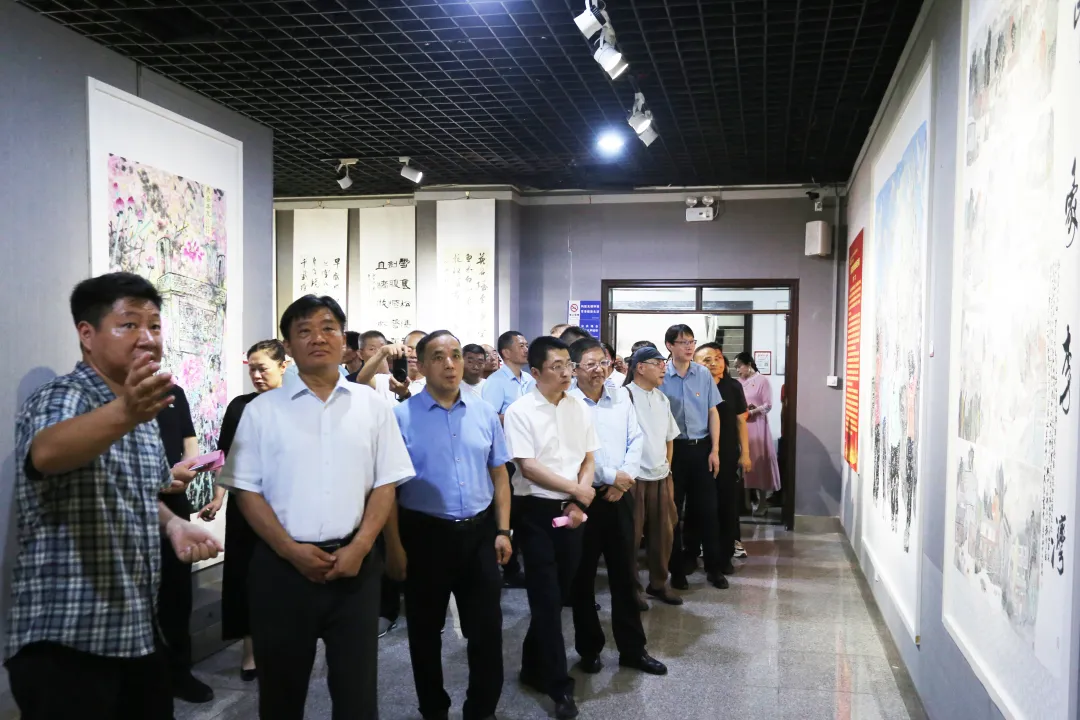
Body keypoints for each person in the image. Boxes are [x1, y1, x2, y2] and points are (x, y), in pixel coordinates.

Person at [5, 272, 221, 719]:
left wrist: (173, 524)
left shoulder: (140, 414)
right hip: (67, 638)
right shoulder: (64, 395)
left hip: (136, 632)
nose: (148, 338)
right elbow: (45, 453)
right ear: (87, 334)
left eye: (155, 325)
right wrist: (125, 411)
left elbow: (134, 492)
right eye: (129, 324)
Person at [218, 294, 415, 720]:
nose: (318, 338)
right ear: (288, 345)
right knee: (281, 696)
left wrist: (361, 546)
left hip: (355, 570)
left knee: (357, 696)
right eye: (304, 331)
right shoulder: (260, 412)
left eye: (328, 328)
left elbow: (385, 483)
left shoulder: (371, 406)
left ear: (344, 341)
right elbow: (246, 491)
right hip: (281, 572)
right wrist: (290, 551)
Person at [389, 331, 513, 720]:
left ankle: (482, 708)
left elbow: (500, 475)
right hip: (424, 536)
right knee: (425, 632)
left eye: (456, 355)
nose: (450, 364)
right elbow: (387, 490)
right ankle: (433, 709)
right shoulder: (400, 417)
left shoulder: (483, 412)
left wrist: (503, 530)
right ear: (422, 365)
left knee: (487, 629)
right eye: (439, 357)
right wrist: (394, 547)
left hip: (479, 534)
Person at [503, 336, 598, 720]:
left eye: (567, 365)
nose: (565, 373)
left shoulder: (578, 406)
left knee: (555, 597)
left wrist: (580, 499)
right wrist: (576, 490)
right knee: (545, 599)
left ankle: (531, 666)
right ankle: (559, 687)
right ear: (535, 372)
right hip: (536, 514)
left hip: (573, 512)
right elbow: (527, 467)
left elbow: (588, 458)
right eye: (556, 367)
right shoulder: (520, 411)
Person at [567, 339, 666, 678]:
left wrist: (623, 480)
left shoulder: (620, 395)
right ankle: (589, 649)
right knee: (582, 579)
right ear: (574, 369)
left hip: (620, 496)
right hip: (583, 498)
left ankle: (633, 649)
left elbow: (636, 439)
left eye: (603, 362)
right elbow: (573, 453)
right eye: (590, 364)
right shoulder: (567, 402)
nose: (599, 369)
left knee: (625, 575)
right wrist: (611, 476)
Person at [199, 339, 290, 682]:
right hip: (246, 505)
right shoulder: (240, 406)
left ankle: (284, 644)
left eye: (262, 368)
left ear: (283, 366)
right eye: (251, 369)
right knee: (245, 576)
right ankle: (250, 652)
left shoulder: (297, 405)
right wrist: (218, 497)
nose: (256, 375)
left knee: (283, 576)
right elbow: (227, 457)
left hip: (287, 506)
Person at [155, 377, 215, 705]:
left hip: (177, 501)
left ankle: (180, 672)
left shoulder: (173, 392)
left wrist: (188, 471)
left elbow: (189, 439)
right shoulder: (115, 397)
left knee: (178, 592)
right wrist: (162, 479)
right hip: (139, 501)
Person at [660, 325, 728, 590]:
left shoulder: (702, 374)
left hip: (701, 449)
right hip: (673, 452)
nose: (689, 347)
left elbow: (713, 412)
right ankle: (677, 570)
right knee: (673, 513)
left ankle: (714, 568)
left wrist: (715, 450)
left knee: (708, 511)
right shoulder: (661, 375)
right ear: (669, 346)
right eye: (683, 342)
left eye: (691, 341)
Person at [625, 346, 683, 607]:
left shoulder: (661, 398)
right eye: (658, 363)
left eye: (663, 363)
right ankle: (631, 590)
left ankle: (659, 584)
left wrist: (667, 468)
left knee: (664, 535)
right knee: (631, 537)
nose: (663, 368)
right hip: (633, 479)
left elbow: (670, 437)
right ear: (640, 367)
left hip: (661, 477)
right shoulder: (624, 396)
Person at [481, 330, 535, 588]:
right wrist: (519, 417)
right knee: (509, 512)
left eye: (526, 344)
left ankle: (518, 565)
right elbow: (489, 418)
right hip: (507, 457)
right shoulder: (496, 382)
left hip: (529, 454)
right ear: (505, 352)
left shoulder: (529, 379)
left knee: (525, 512)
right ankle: (508, 568)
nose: (526, 348)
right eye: (520, 345)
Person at [694, 344, 752, 563]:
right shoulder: (693, 385)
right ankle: (700, 544)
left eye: (717, 358)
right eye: (707, 360)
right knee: (701, 501)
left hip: (727, 452)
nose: (714, 363)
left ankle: (729, 545)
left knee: (727, 499)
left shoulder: (733, 386)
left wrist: (745, 453)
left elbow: (741, 422)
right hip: (699, 451)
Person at [734, 352, 782, 516]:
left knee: (759, 464)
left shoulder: (762, 381)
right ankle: (746, 502)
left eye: (739, 366)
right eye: (736, 367)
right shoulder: (738, 383)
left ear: (749, 365)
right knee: (744, 465)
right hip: (742, 426)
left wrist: (752, 411)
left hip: (758, 426)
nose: (738, 370)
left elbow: (768, 405)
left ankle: (762, 503)